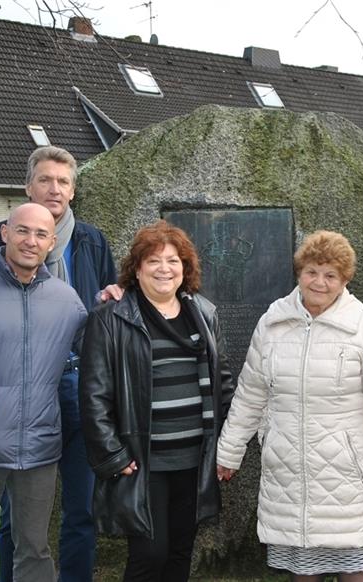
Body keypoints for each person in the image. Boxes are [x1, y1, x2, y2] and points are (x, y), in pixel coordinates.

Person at [216, 230, 363, 582]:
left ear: (344, 280)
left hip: (349, 480)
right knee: (302, 574)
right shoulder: (272, 325)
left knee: (355, 575)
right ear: (299, 272)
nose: (319, 282)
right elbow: (250, 394)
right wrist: (229, 452)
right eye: (311, 272)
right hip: (289, 478)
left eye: (330, 275)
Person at [0, 145, 116, 582]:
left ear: (73, 191)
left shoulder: (92, 241)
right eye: (45, 180)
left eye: (63, 182)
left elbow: (105, 311)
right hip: (12, 386)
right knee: (11, 511)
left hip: (75, 382)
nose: (54, 189)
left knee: (80, 504)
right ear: (28, 186)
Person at [79, 220, 234, 582]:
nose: (164, 269)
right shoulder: (110, 318)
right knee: (150, 554)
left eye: (173, 260)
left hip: (195, 459)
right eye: (153, 261)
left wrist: (226, 448)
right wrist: (112, 455)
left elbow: (223, 383)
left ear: (186, 268)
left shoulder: (205, 314)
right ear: (137, 269)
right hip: (143, 460)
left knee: (181, 550)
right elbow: (94, 394)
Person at [0, 203, 87, 582]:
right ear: (4, 233)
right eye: (22, 231)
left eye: (40, 234)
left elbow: (101, 355)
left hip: (39, 446)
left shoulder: (66, 299)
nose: (30, 241)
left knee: (34, 549)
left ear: (52, 242)